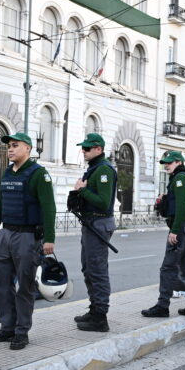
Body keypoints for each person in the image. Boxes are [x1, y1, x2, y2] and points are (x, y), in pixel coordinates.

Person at [0, 132, 56, 349]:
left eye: (15, 145)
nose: (10, 149)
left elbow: (49, 208)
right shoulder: (7, 173)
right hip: (5, 234)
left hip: (28, 237)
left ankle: (21, 331)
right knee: (1, 283)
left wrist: (49, 239)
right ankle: (7, 327)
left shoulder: (38, 174)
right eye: (8, 146)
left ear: (27, 148)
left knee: (24, 286)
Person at [142, 151, 185, 320]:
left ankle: (162, 306)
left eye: (169, 162)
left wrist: (174, 230)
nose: (166, 165)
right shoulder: (181, 178)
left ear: (178, 162)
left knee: (168, 268)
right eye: (165, 163)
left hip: (181, 228)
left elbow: (182, 206)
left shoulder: (181, 178)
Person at [72, 133, 117, 332]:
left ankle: (100, 317)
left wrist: (82, 190)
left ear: (99, 149)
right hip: (91, 222)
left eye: (88, 148)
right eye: (83, 148)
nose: (84, 151)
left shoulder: (104, 170)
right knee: (88, 269)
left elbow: (104, 202)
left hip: (99, 222)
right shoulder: (94, 169)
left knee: (97, 270)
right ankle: (94, 309)